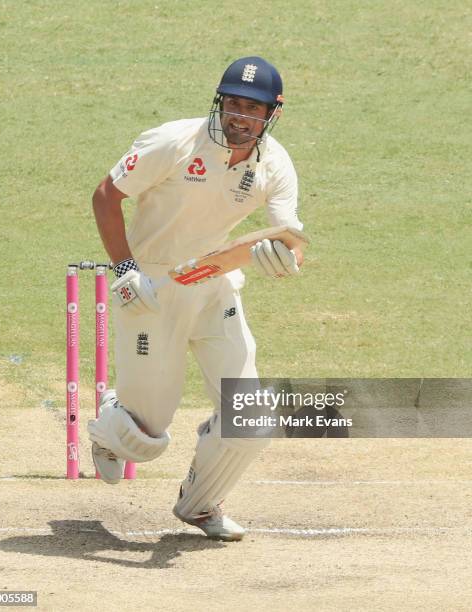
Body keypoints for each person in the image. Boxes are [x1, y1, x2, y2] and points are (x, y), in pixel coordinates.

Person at [87, 56, 304, 541]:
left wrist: (286, 258)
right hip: (151, 288)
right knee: (146, 438)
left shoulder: (275, 164)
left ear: (273, 114)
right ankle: (109, 423)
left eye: (253, 107)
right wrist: (124, 269)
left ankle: (200, 504)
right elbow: (105, 196)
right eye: (233, 103)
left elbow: (290, 235)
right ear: (219, 102)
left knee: (248, 415)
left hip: (214, 282)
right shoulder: (175, 142)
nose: (239, 115)